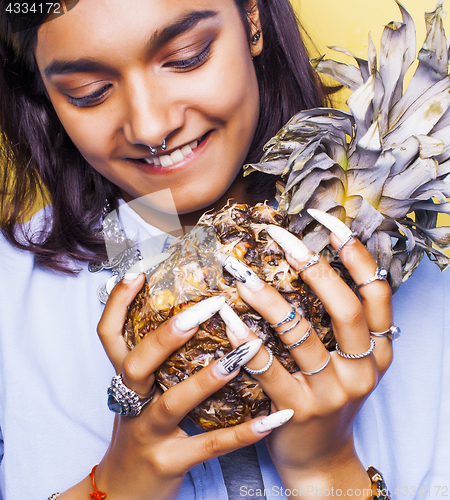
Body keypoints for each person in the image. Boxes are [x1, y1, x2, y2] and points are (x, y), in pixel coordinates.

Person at [0, 1, 448, 499]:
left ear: (252, 20)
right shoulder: (9, 291)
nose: (150, 127)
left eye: (187, 56)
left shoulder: (433, 300)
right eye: (90, 92)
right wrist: (118, 486)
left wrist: (327, 474)